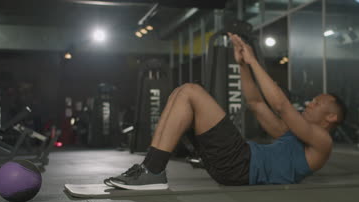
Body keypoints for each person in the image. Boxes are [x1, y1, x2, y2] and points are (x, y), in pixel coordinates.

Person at [104, 33, 346, 190]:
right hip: (234, 166)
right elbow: (256, 103)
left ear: (331, 117)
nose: (311, 104)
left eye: (317, 103)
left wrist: (253, 62)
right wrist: (242, 65)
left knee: (191, 91)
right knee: (180, 94)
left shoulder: (322, 142)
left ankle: (153, 170)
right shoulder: (290, 134)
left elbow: (281, 105)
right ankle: (148, 167)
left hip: (242, 165)